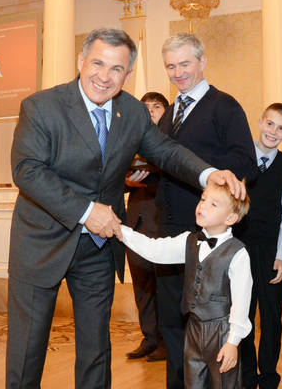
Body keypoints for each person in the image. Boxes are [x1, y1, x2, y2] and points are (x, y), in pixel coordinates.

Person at [7, 27, 244, 389]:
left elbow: (166, 151)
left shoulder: (132, 111)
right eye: (97, 63)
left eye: (116, 69)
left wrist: (209, 174)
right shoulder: (41, 106)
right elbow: (28, 171)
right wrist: (87, 211)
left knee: (96, 349)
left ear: (128, 74)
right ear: (81, 61)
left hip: (98, 247)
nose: (105, 76)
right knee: (27, 350)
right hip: (41, 242)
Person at [155, 32, 258, 388]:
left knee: (222, 324)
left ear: (202, 61)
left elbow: (246, 162)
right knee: (172, 320)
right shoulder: (169, 114)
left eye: (184, 63)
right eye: (171, 66)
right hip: (171, 232)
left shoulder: (225, 106)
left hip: (209, 235)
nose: (178, 72)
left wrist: (204, 174)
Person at [117, 181, 252, 389]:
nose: (203, 205)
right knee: (192, 383)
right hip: (193, 329)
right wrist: (121, 231)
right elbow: (155, 250)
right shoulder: (189, 241)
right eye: (203, 199)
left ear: (231, 218)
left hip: (222, 332)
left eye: (213, 204)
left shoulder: (238, 253)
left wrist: (233, 342)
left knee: (224, 383)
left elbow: (241, 303)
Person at [233, 103, 282, 389]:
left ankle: (269, 376)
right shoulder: (239, 159)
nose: (274, 131)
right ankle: (247, 377)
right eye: (270, 124)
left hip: (270, 251)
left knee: (272, 316)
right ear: (260, 122)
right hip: (238, 248)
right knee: (242, 314)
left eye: (281, 128)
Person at [124, 92, 169, 362]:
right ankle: (149, 338)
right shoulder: (130, 139)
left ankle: (166, 341)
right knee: (142, 287)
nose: (150, 111)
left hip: (162, 223)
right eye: (145, 107)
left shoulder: (170, 140)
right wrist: (127, 182)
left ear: (166, 112)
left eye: (156, 106)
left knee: (163, 287)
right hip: (135, 224)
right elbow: (114, 176)